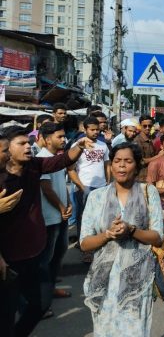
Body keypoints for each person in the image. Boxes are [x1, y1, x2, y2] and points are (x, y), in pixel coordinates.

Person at [0, 127, 94, 337]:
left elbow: (61, 161)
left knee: (41, 303)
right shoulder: (2, 177)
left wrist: (79, 146)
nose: (29, 146)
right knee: (6, 315)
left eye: (28, 142)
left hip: (34, 252)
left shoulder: (34, 166)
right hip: (8, 260)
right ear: (6, 150)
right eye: (21, 144)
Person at [80, 142, 163, 337]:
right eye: (117, 161)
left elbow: (157, 237)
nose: (122, 166)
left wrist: (131, 230)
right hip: (104, 280)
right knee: (105, 331)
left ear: (137, 165)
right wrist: (107, 235)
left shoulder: (148, 192)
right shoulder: (96, 197)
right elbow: (84, 243)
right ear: (111, 165)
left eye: (127, 161)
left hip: (138, 280)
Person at [37, 123, 73, 318]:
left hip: (61, 215)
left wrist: (68, 203)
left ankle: (49, 291)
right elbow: (46, 187)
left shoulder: (58, 158)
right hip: (49, 218)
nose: (63, 140)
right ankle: (40, 304)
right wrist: (61, 207)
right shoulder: (42, 158)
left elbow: (60, 185)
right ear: (46, 138)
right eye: (59, 136)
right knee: (45, 261)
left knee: (58, 255)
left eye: (64, 136)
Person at [67, 116, 111, 255]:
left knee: (101, 216)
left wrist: (108, 182)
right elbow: (70, 169)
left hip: (101, 186)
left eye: (97, 129)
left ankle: (98, 244)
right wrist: (81, 186)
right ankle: (84, 246)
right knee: (84, 217)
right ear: (85, 130)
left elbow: (107, 165)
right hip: (84, 186)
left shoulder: (103, 145)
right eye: (92, 129)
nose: (95, 132)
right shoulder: (77, 146)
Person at [134, 115, 162, 182]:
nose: (147, 128)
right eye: (145, 126)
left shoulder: (152, 139)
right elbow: (141, 161)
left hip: (152, 176)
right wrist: (159, 156)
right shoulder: (137, 140)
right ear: (140, 125)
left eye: (149, 126)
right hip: (141, 178)